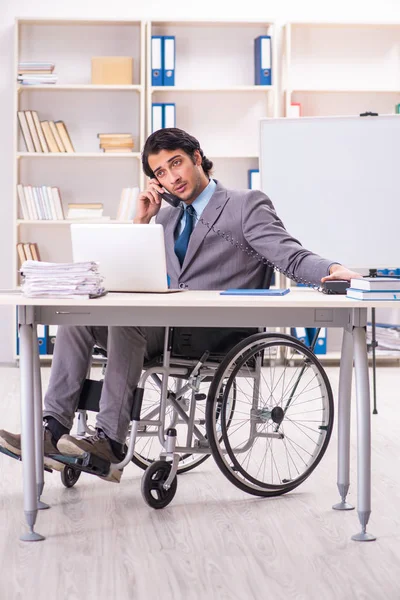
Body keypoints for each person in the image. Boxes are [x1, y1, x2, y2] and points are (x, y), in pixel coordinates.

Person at [0, 128, 361, 482]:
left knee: (128, 321)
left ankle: (109, 440)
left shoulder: (245, 204)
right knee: (77, 319)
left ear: (197, 158)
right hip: (164, 328)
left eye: (176, 164)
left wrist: (331, 269)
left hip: (217, 333)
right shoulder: (167, 215)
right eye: (160, 172)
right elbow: (130, 274)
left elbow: (288, 254)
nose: (172, 177)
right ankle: (50, 430)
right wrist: (142, 221)